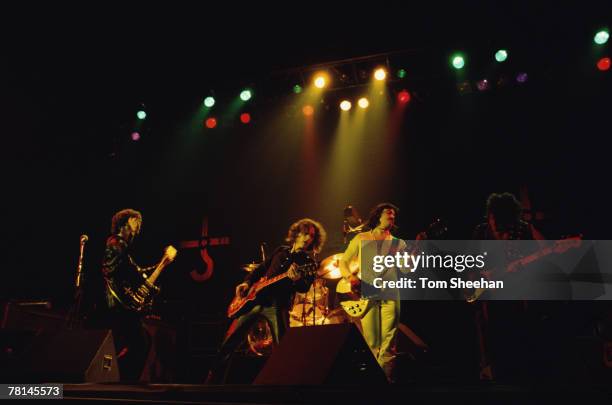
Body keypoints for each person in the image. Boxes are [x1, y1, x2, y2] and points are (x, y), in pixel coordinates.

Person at [205, 218, 326, 384]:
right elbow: (261, 268)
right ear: (297, 234)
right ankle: (211, 381)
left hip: (278, 305)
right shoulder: (281, 251)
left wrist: (296, 279)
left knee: (282, 348)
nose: (307, 238)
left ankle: (282, 386)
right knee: (229, 341)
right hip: (254, 300)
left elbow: (304, 288)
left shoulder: (308, 262)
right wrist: (246, 282)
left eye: (311, 236)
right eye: (305, 234)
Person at [101, 208, 177, 381]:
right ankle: (119, 380)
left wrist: (162, 263)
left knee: (140, 341)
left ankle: (120, 379)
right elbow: (128, 273)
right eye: (135, 221)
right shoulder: (116, 243)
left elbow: (136, 272)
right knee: (139, 342)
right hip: (117, 306)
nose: (138, 225)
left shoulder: (121, 247)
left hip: (121, 306)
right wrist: (162, 263)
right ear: (125, 223)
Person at [339, 203, 406, 382]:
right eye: (388, 213)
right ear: (378, 216)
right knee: (372, 341)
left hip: (391, 292)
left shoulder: (398, 243)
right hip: (367, 291)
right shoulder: (361, 238)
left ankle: (386, 381)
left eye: (394, 214)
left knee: (390, 340)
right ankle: (374, 380)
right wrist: (350, 278)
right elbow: (343, 262)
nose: (392, 216)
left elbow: (406, 269)